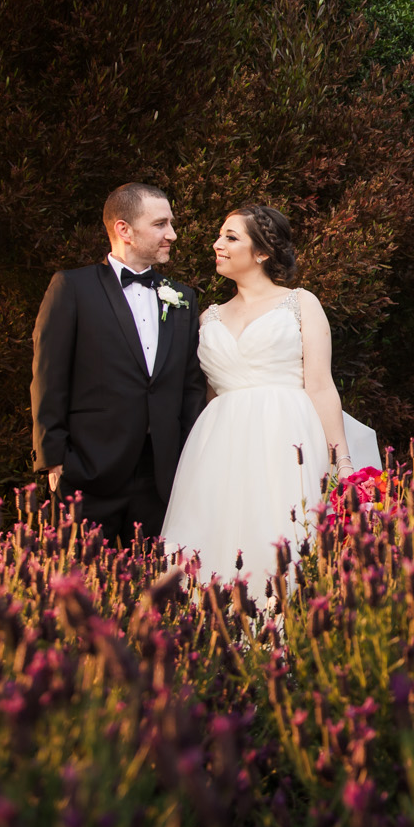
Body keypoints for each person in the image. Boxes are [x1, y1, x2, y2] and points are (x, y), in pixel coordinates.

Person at [160, 202, 377, 590]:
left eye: (230, 237)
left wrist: (342, 463)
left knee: (284, 537)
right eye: (219, 236)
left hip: (287, 438)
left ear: (261, 252)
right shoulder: (207, 317)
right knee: (217, 541)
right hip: (218, 447)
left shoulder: (299, 303)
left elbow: (320, 386)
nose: (217, 244)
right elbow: (210, 393)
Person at [30, 182, 207, 541]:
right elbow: (49, 376)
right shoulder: (72, 288)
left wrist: (186, 462)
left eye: (170, 224)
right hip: (89, 470)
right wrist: (53, 458)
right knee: (82, 587)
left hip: (160, 477)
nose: (171, 234)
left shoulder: (183, 298)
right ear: (123, 229)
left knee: (155, 590)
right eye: (160, 224)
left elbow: (190, 387)